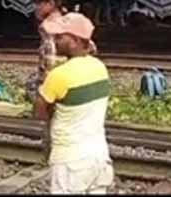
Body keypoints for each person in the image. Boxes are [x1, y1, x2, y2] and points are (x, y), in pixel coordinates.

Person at [34, 13, 114, 194]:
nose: (55, 41)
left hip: (70, 160)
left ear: (75, 41)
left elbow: (39, 112)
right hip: (99, 156)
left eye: (60, 37)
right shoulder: (100, 67)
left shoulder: (59, 75)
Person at [25, 0, 67, 97]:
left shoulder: (48, 27)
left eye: (39, 4)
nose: (36, 7)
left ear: (51, 4)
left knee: (30, 87)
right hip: (67, 77)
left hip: (55, 82)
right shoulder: (66, 20)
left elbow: (50, 62)